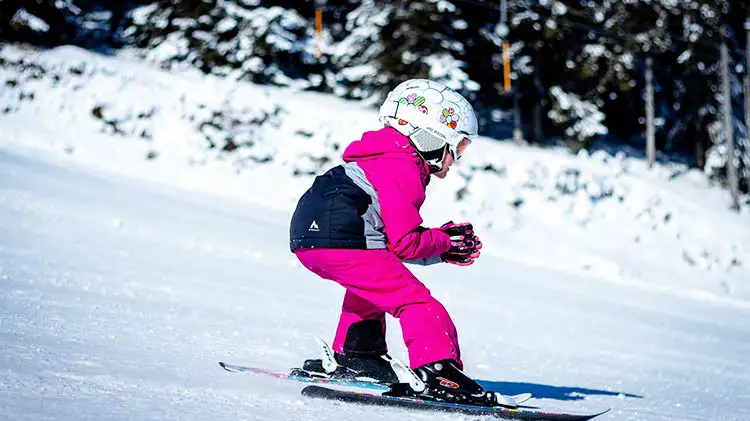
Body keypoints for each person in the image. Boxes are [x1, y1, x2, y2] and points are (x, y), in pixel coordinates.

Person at [288, 79, 486, 403]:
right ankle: (438, 372)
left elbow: (390, 243)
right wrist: (445, 243)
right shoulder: (403, 165)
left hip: (311, 238)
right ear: (432, 137)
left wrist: (438, 245)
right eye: (459, 147)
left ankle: (359, 355)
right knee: (417, 302)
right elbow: (405, 242)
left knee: (371, 286)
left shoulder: (379, 157)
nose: (455, 160)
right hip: (342, 236)